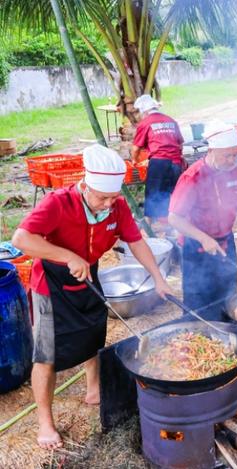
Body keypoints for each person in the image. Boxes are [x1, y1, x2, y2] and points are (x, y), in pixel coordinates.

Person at [11, 144, 172, 450]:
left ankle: (93, 388)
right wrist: (66, 255)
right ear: (84, 185)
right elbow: (21, 239)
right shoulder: (58, 202)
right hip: (52, 284)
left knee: (94, 333)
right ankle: (45, 423)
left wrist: (159, 279)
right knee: (46, 356)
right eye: (103, 197)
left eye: (114, 197)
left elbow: (136, 242)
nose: (110, 204)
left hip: (88, 274)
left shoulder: (117, 205)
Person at [168, 123, 237, 321]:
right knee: (199, 304)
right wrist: (203, 238)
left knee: (228, 295)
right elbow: (174, 217)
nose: (232, 160)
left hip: (226, 241)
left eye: (235, 154)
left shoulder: (233, 169)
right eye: (227, 155)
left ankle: (227, 337)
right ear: (211, 150)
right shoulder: (192, 177)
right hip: (196, 247)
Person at [131, 95, 185, 228]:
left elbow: (136, 148)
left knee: (153, 192)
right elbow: (180, 144)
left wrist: (134, 161)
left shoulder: (145, 123)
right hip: (176, 162)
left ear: (144, 111)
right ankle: (173, 224)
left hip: (159, 162)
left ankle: (149, 224)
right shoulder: (171, 120)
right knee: (172, 192)